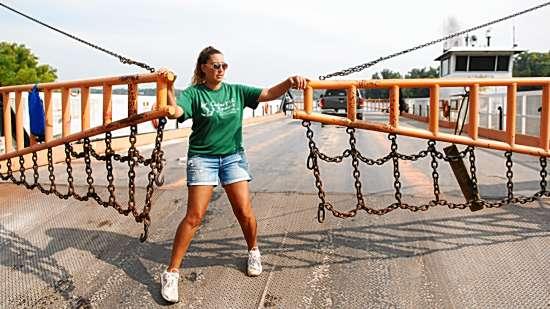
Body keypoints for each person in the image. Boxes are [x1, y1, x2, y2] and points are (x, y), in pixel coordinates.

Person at [160, 46, 307, 303]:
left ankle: (253, 251)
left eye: (224, 65)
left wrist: (290, 81)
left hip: (233, 157)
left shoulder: (236, 91)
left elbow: (270, 93)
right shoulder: (194, 94)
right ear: (203, 67)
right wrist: (168, 87)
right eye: (215, 65)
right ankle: (171, 273)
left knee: (244, 211)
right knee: (194, 217)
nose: (220, 70)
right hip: (202, 157)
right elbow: (176, 112)